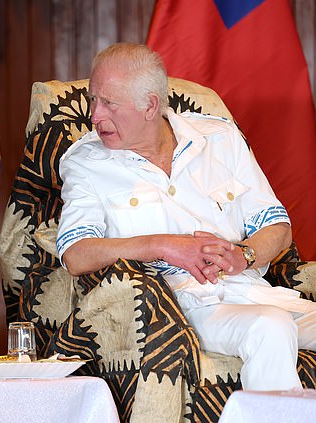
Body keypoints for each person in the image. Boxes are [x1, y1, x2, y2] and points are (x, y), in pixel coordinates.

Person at [56, 43, 316, 391]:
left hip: (252, 292)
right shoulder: (86, 163)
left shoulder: (219, 138)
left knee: (270, 320)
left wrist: (244, 256)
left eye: (109, 104)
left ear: (149, 105)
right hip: (174, 309)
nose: (95, 115)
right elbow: (75, 252)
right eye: (92, 100)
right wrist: (162, 246)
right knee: (269, 328)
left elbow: (276, 227)